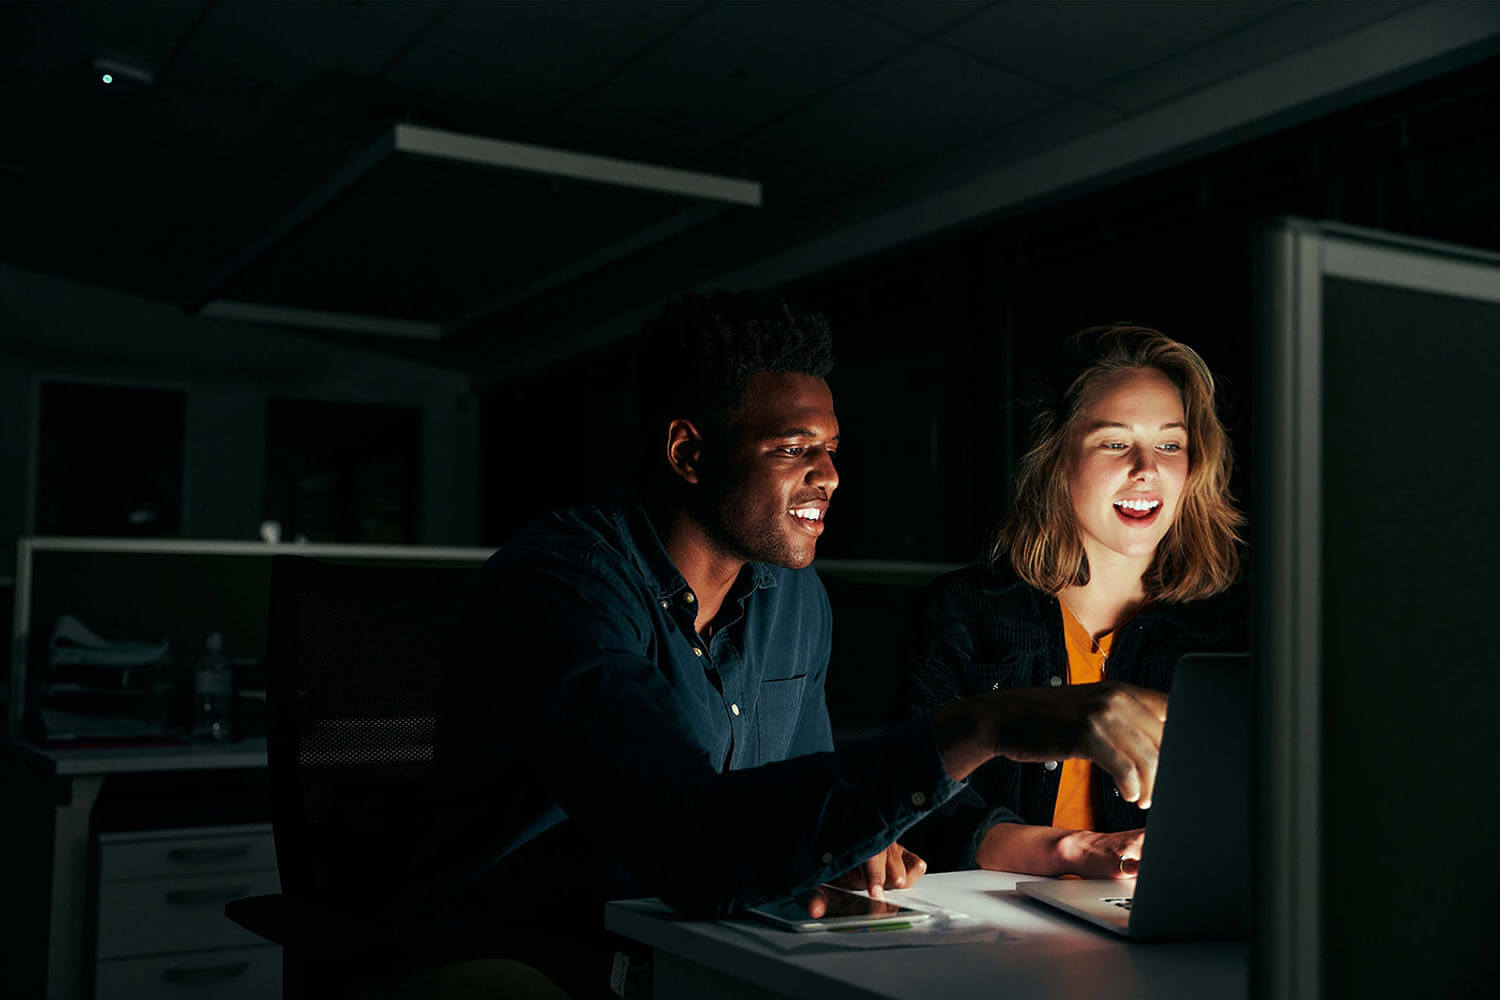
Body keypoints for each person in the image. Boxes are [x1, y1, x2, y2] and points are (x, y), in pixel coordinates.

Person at [397, 296, 1173, 998]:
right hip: (521, 949)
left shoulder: (792, 595)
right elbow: (687, 840)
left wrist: (843, 847)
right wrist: (986, 724)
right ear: (689, 455)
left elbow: (785, 798)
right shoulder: (564, 587)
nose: (829, 475)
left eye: (832, 448)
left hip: (694, 936)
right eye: (793, 449)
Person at [902, 324, 1246, 881]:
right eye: (1115, 442)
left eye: (1170, 444)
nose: (1147, 468)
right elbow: (910, 798)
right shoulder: (962, 612)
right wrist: (1071, 849)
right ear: (1057, 457)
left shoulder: (1232, 630)